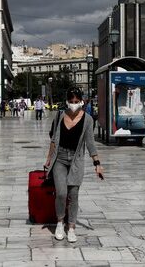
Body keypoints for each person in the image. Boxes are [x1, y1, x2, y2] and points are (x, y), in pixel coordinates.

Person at [44, 86, 103, 243]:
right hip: (60, 159)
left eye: (77, 101)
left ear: (82, 101)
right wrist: (48, 159)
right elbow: (53, 140)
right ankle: (59, 222)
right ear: (67, 102)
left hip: (76, 160)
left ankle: (71, 228)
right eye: (71, 101)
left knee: (74, 195)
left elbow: (90, 142)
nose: (74, 104)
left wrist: (97, 163)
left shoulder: (88, 120)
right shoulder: (59, 116)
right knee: (62, 193)